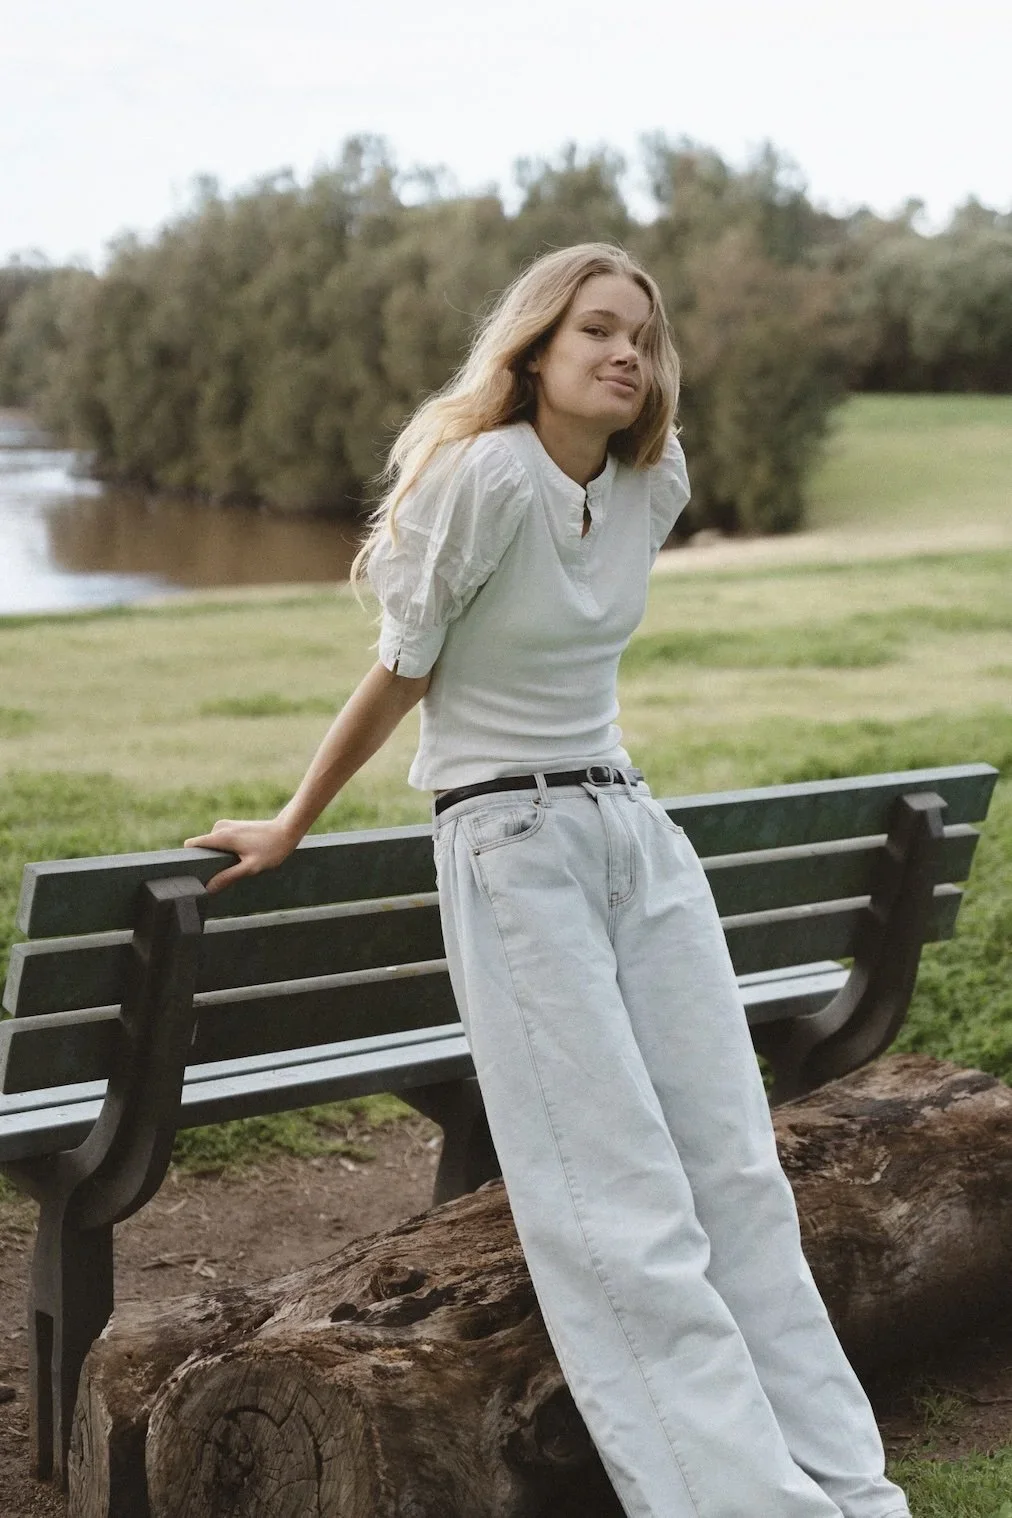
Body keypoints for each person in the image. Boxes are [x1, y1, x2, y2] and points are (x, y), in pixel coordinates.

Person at [184, 243, 910, 1518]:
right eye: (596, 330)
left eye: (642, 334)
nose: (627, 352)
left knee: (736, 1174)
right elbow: (404, 669)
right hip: (510, 848)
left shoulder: (651, 481)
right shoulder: (483, 477)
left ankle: (851, 1487)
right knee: (617, 1201)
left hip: (631, 830)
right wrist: (294, 819)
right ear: (533, 351)